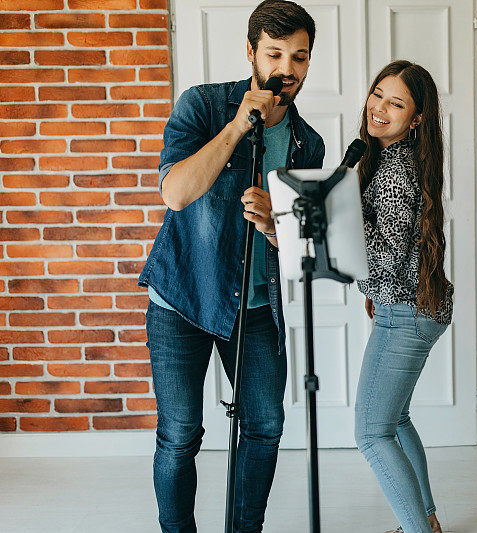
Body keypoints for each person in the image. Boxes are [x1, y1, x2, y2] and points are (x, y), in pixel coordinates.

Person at [137, 1, 323, 531]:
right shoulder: (201, 105)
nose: (287, 70)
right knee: (180, 435)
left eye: (300, 57)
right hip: (183, 298)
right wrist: (239, 127)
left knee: (264, 426)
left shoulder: (310, 143)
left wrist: (274, 226)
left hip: (257, 303)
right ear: (251, 53)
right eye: (275, 55)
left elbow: (306, 245)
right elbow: (175, 193)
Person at [353, 60, 454, 533]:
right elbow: (400, 249)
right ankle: (427, 522)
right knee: (396, 420)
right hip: (417, 307)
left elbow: (386, 259)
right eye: (378, 95)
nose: (380, 108)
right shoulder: (399, 159)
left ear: (415, 119)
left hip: (405, 312)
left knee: (372, 433)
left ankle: (418, 531)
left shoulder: (395, 171)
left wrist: (347, 223)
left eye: (397, 103)